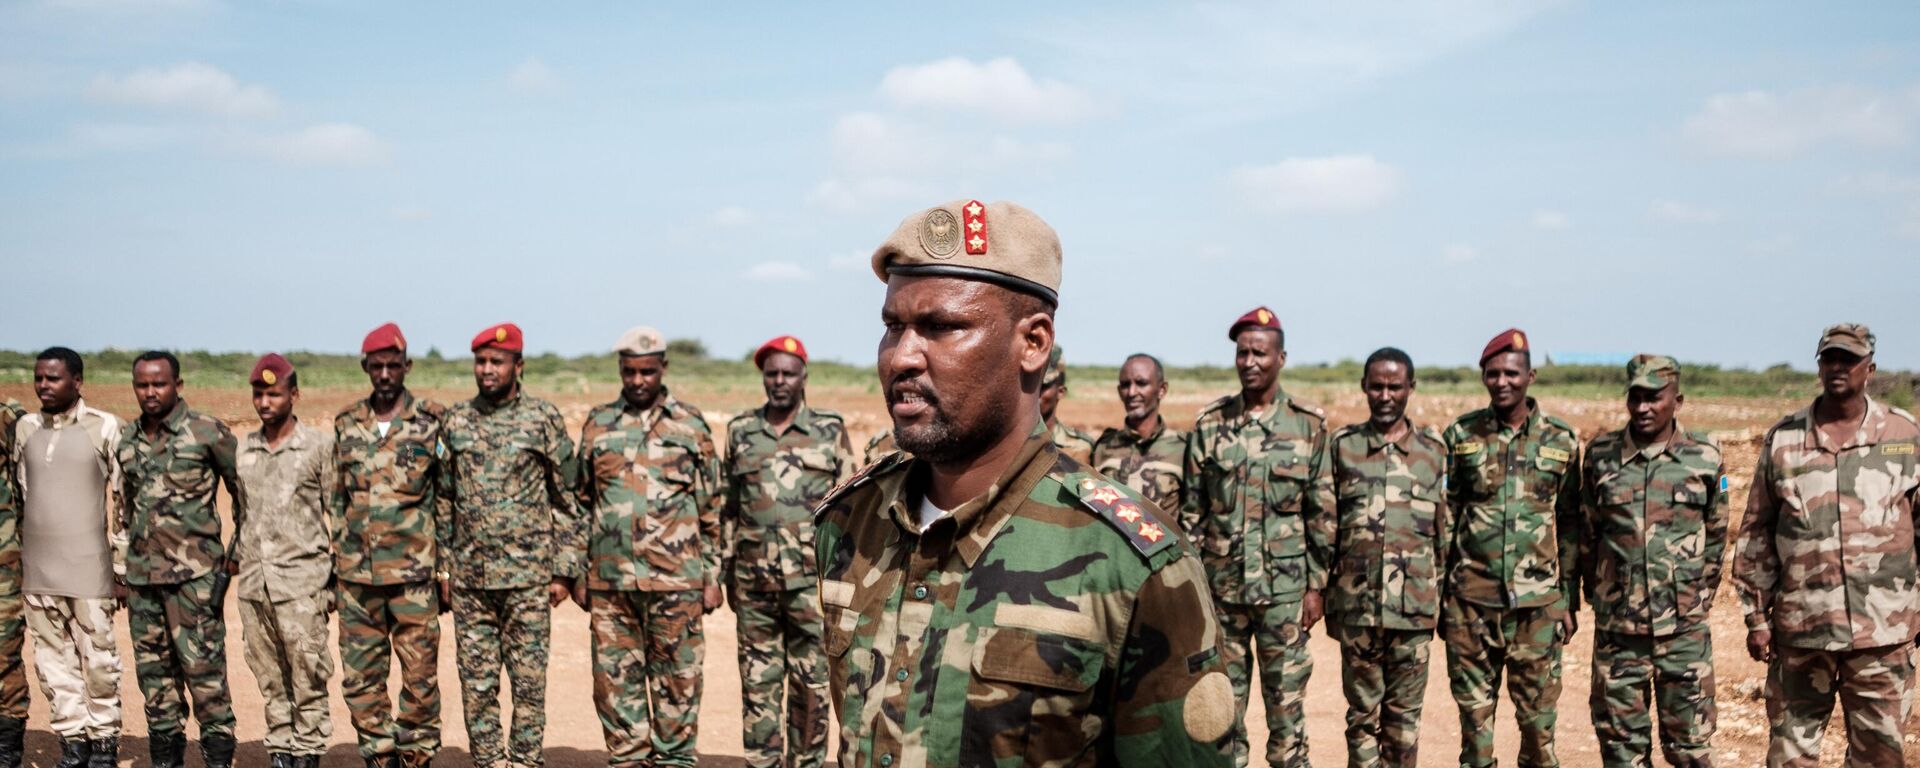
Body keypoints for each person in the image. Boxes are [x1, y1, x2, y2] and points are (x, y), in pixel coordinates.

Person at [816, 198, 1233, 767]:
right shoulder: (851, 522)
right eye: (893, 326)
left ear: (1033, 343)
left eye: (941, 327)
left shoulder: (1130, 562)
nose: (901, 357)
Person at [1733, 324, 1920, 767]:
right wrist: (1756, 617)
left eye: (1848, 360)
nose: (1838, 368)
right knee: (1790, 755)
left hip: (1882, 632)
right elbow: (1757, 530)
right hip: (1802, 630)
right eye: (1829, 359)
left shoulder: (1904, 436)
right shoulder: (1785, 440)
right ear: (1819, 366)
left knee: (1880, 756)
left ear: (1869, 369)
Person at [1182, 305, 1333, 768]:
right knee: (1224, 715)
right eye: (1242, 353)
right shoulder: (1210, 425)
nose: (1250, 362)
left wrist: (1316, 587)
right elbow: (1193, 513)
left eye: (1260, 354)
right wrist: (1195, 589)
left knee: (1287, 717)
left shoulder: (1308, 426)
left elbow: (1322, 514)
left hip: (1285, 596)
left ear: (1281, 358)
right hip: (1222, 594)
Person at [573, 326, 721, 768]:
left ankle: (674, 760)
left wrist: (711, 577)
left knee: (678, 681)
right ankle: (629, 759)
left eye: (647, 371)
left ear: (663, 368)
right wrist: (580, 571)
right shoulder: (598, 423)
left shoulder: (691, 425)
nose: (637, 380)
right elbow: (580, 503)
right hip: (610, 582)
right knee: (615, 685)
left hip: (677, 581)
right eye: (629, 371)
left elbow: (712, 507)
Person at [441, 323, 586, 768]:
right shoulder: (456, 421)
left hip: (529, 579)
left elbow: (568, 499)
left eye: (496, 361)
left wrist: (564, 570)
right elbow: (444, 500)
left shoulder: (542, 419)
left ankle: (524, 761)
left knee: (528, 682)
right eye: (481, 361)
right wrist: (444, 570)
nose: (487, 370)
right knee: (477, 683)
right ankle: (487, 761)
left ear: (517, 367)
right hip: (470, 581)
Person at [1440, 328, 1582, 768]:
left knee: (1539, 730)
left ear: (1530, 376)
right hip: (1470, 605)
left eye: (1511, 374)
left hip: (1537, 607)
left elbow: (1571, 522)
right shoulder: (1461, 435)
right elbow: (1446, 519)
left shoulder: (1561, 440)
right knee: (1475, 733)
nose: (1502, 382)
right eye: (1492, 374)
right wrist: (1442, 595)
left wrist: (1569, 598)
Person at [1579, 354, 1726, 768]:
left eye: (1654, 398)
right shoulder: (1600, 456)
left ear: (1676, 400)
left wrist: (1695, 599)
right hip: (1618, 634)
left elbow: (1717, 534)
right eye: (1635, 397)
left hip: (1684, 635)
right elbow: (1588, 534)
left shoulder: (1705, 457)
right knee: (1621, 752)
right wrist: (1604, 596)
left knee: (1692, 751)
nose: (1642, 407)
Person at [721, 335, 850, 768]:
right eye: (772, 374)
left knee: (811, 685)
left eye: (788, 374)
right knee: (758, 684)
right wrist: (725, 571)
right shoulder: (741, 431)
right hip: (753, 584)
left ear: (803, 377)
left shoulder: (829, 430)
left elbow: (850, 506)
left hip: (811, 585)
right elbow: (729, 507)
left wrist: (844, 578)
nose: (779, 382)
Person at [116, 350, 245, 768]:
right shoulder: (128, 438)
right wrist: (123, 567)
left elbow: (246, 499)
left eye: (159, 384)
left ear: (178, 385)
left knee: (206, 680)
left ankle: (218, 760)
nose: (150, 392)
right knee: (155, 683)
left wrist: (231, 562)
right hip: (143, 581)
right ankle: (165, 760)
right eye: (142, 384)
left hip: (197, 581)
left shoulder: (207, 432)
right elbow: (125, 506)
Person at [331, 323, 449, 768]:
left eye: (393, 365)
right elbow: (336, 499)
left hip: (413, 576)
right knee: (362, 678)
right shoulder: (346, 423)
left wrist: (446, 572)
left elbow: (447, 498)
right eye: (376, 366)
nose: (385, 374)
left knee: (419, 678)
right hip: (356, 576)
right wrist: (334, 562)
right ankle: (379, 757)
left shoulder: (433, 420)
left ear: (407, 367)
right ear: (366, 368)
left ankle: (415, 757)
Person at [1326, 347, 1449, 768]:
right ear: (1364, 387)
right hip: (1357, 611)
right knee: (1361, 721)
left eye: (1394, 386)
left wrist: (1442, 600)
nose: (1384, 395)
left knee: (1403, 726)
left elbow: (1443, 535)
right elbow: (1328, 527)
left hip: (1413, 613)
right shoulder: (1342, 448)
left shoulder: (1433, 452)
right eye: (1376, 386)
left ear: (1410, 389)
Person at [14, 347, 123, 768]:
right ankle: (73, 742)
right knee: (52, 664)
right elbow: (26, 492)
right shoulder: (25, 429)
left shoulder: (104, 427)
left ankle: (104, 743)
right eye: (39, 378)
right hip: (40, 573)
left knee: (98, 662)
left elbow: (122, 497)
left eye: (53, 378)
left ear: (77, 381)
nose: (44, 385)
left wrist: (120, 567)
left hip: (90, 571)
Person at [234, 354, 336, 768]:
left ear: (294, 395)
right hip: (255, 586)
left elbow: (339, 514)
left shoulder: (318, 447)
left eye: (273, 394)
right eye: (258, 393)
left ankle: (308, 752)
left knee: (308, 675)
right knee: (270, 676)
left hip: (303, 585)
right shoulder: (244, 450)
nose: (264, 402)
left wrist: (337, 582)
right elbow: (241, 516)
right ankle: (280, 750)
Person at [1091, 352, 1187, 513]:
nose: (1131, 392)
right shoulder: (1103, 447)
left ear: (1162, 390)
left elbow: (1194, 514)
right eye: (1125, 385)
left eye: (1141, 383)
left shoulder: (1182, 448)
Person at [1040, 346, 1096, 463]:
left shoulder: (1081, 447)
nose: (1033, 393)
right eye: (1027, 384)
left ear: (1060, 392)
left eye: (1042, 387)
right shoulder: (1002, 443)